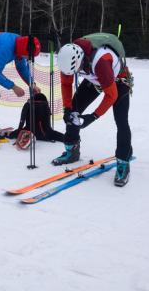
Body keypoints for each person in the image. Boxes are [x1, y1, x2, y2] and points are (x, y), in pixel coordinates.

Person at [53, 33, 133, 187]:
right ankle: (72, 149)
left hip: (118, 80)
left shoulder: (100, 62)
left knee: (121, 120)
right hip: (95, 79)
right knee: (74, 109)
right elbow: (65, 84)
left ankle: (123, 161)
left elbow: (111, 95)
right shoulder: (67, 60)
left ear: (82, 60)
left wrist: (93, 116)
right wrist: (67, 109)